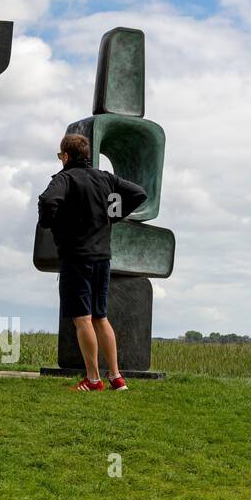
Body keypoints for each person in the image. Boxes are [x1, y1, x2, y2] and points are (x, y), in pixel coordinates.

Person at [37, 133, 146, 391]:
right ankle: (117, 378)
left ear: (65, 156)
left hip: (76, 258)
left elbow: (48, 201)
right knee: (100, 317)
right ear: (87, 156)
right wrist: (112, 216)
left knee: (82, 319)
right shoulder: (105, 178)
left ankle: (93, 379)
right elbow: (138, 193)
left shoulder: (64, 178)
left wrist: (52, 222)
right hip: (102, 258)